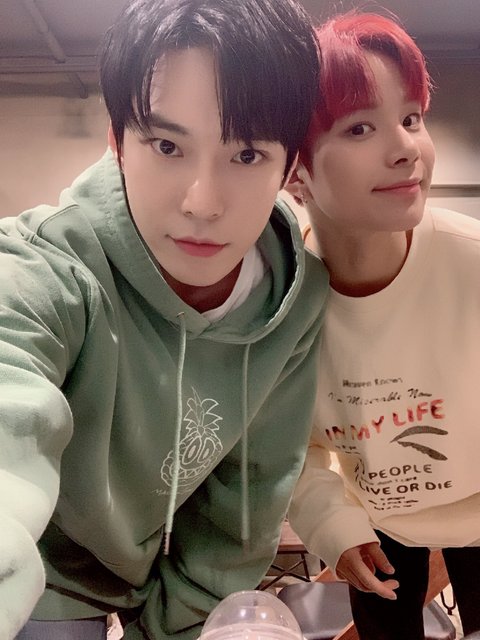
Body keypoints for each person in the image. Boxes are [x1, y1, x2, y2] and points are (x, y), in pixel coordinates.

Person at [0, 1, 330, 638]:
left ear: (290, 166)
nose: (202, 203)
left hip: (174, 578)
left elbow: (248, 493)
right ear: (117, 142)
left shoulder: (292, 298)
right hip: (47, 572)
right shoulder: (44, 266)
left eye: (247, 155)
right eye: (167, 145)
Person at [286, 10, 480, 640]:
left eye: (412, 119)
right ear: (294, 171)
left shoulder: (471, 263)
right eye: (360, 127)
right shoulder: (278, 304)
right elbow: (287, 444)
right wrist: (331, 524)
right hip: (376, 521)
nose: (405, 149)